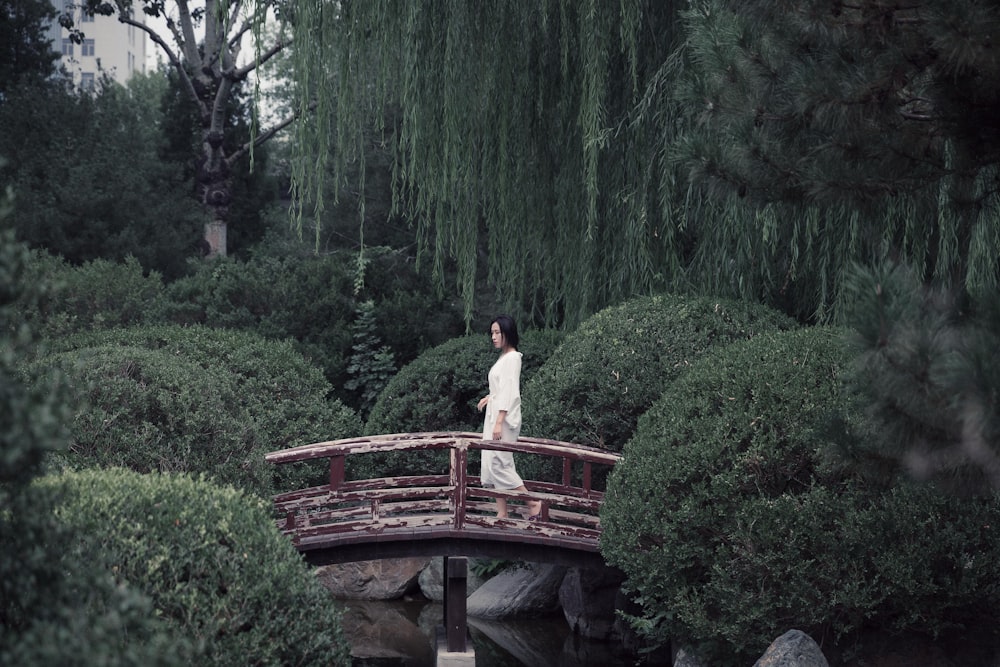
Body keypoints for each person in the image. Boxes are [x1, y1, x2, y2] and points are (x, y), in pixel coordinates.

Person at [477, 315, 541, 520]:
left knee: (499, 461)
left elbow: (511, 390)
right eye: (492, 333)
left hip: (503, 417)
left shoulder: (513, 357)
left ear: (507, 333)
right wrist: (490, 397)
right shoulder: (503, 357)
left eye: (497, 333)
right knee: (493, 461)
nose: (493, 337)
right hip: (496, 412)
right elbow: (501, 387)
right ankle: (502, 512)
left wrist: (498, 421)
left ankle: (532, 502)